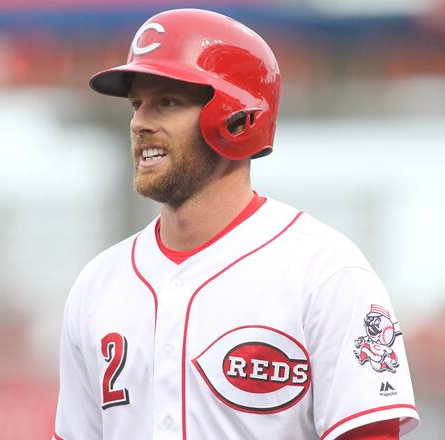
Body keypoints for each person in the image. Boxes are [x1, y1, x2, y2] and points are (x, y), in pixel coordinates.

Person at [53, 8, 419, 440]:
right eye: (137, 105)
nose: (139, 123)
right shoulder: (97, 284)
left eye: (167, 102)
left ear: (236, 117)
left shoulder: (325, 273)